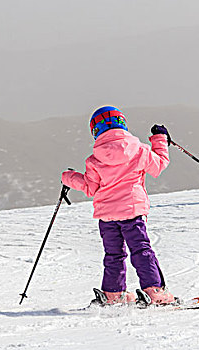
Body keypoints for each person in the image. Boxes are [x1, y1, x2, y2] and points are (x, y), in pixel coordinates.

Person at [61, 105, 175, 305]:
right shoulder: (139, 151)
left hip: (107, 216)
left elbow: (90, 188)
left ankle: (114, 294)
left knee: (113, 254)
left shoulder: (95, 160)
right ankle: (154, 291)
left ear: (95, 131)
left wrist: (69, 177)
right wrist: (160, 139)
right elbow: (159, 165)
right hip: (132, 211)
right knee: (140, 250)